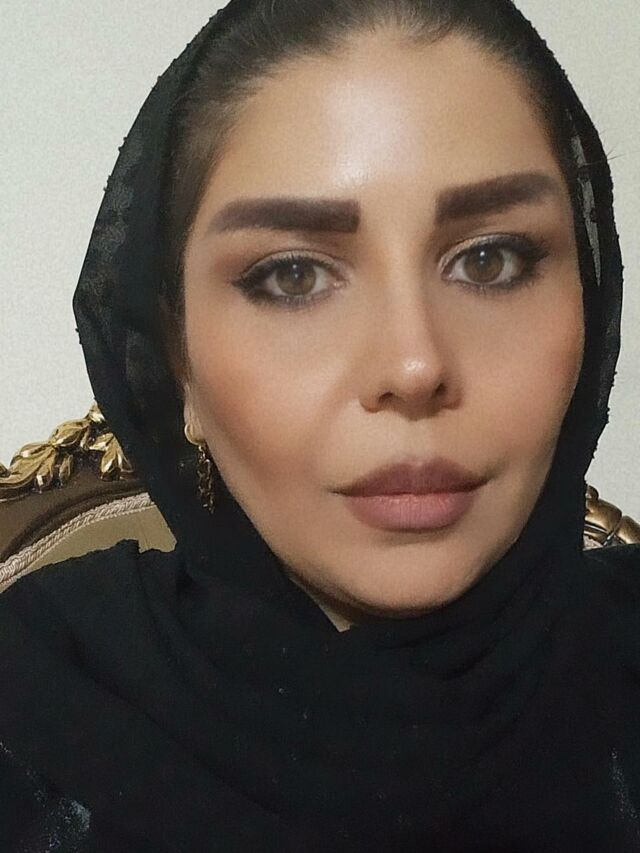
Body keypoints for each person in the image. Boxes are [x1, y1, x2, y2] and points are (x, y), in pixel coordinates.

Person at [0, 0, 638, 850]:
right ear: (176, 361)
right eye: (293, 276)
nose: (413, 364)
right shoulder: (33, 709)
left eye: (492, 260)